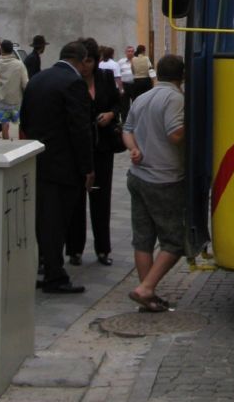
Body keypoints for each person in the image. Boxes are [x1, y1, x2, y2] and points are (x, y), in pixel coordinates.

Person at [19, 39, 94, 293]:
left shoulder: (37, 79)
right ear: (81, 61)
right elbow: (80, 129)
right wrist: (87, 167)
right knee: (57, 221)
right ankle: (54, 275)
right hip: (64, 164)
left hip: (38, 159)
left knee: (43, 218)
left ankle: (44, 265)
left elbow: (25, 119)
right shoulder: (74, 83)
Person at [123, 53, 186, 312]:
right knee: (175, 241)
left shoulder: (143, 97)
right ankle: (146, 288)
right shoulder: (175, 98)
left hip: (137, 176)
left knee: (143, 239)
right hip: (164, 178)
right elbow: (175, 134)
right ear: (182, 76)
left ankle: (147, 296)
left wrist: (134, 149)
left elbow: (127, 129)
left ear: (157, 73)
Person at [66, 37, 123, 267]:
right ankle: (74, 249)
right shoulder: (72, 81)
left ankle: (103, 248)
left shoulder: (105, 78)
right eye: (83, 61)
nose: (86, 66)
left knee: (101, 198)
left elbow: (118, 103)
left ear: (96, 61)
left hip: (103, 146)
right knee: (76, 199)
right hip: (78, 147)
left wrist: (111, 114)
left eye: (90, 61)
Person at [0, 39, 29, 139]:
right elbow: (25, 83)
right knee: (16, 122)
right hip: (15, 99)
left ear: (1, 49)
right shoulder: (19, 64)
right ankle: (17, 142)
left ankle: (5, 142)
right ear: (12, 50)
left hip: (2, 99)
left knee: (4, 123)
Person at [117, 45, 136, 118]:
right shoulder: (120, 62)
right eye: (129, 51)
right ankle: (124, 120)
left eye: (132, 51)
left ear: (134, 52)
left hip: (134, 85)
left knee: (135, 103)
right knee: (124, 105)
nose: (130, 53)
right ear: (125, 52)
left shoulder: (136, 61)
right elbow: (117, 74)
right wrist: (120, 88)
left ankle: (135, 119)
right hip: (124, 85)